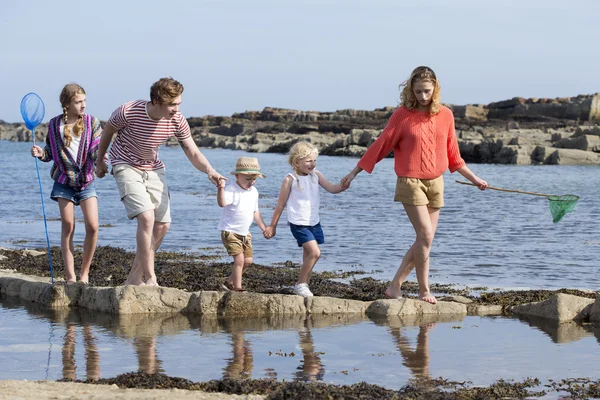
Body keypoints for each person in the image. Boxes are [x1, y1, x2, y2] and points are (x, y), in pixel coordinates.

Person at [341, 66, 487, 304]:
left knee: (424, 240)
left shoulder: (446, 115)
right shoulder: (402, 115)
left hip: (436, 183)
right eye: (418, 91)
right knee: (425, 235)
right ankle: (424, 290)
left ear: (436, 89)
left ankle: (397, 287)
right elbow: (381, 145)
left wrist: (475, 179)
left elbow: (454, 155)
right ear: (411, 90)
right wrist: (354, 172)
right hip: (410, 181)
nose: (422, 96)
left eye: (427, 91)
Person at [95, 77, 225, 286]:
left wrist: (210, 171)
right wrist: (100, 160)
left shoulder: (177, 120)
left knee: (163, 225)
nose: (176, 109)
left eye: (179, 103)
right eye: (172, 104)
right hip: (125, 164)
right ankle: (151, 277)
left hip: (153, 167)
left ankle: (134, 278)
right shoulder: (128, 111)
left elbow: (192, 151)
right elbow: (108, 131)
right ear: (156, 101)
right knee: (146, 218)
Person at [31, 84, 102, 284]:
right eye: (78, 102)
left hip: (86, 182)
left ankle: (84, 274)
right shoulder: (54, 125)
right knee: (68, 226)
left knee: (93, 226)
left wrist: (101, 162)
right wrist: (40, 154)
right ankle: (70, 276)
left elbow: (97, 149)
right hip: (63, 183)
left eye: (84, 101)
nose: (83, 105)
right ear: (66, 104)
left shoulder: (92, 123)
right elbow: (50, 153)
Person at [264, 141, 347, 297]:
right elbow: (280, 204)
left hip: (314, 221)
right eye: (309, 161)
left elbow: (332, 188)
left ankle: (304, 285)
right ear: (297, 161)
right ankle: (300, 284)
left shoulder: (316, 175)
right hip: (299, 223)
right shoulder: (290, 179)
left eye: (314, 160)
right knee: (315, 253)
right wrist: (272, 226)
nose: (313, 164)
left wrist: (342, 186)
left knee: (308, 255)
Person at [217, 157, 268, 292]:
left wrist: (264, 228)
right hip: (230, 232)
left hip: (245, 233)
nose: (251, 182)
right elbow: (222, 203)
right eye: (247, 179)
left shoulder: (254, 192)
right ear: (237, 176)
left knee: (248, 261)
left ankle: (228, 283)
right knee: (239, 260)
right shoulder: (231, 189)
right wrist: (220, 189)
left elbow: (255, 212)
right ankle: (237, 288)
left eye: (254, 179)